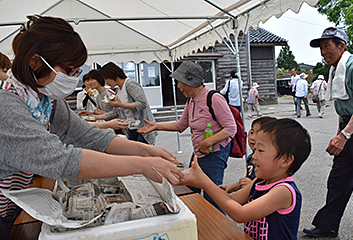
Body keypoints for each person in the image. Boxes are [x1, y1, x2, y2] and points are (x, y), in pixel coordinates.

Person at [0, 15, 184, 240]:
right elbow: (62, 159)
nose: (75, 78)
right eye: (69, 70)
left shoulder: (45, 98)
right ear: (35, 61)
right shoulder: (7, 104)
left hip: (20, 199)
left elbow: (88, 136)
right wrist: (141, 164)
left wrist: (146, 150)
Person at [180, 118, 311, 240]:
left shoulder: (283, 191)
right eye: (254, 150)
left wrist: (204, 182)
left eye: (260, 150)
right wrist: (202, 181)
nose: (253, 156)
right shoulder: (259, 181)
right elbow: (231, 200)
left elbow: (240, 214)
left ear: (286, 160)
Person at [138, 61, 236, 213]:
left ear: (189, 82)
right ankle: (196, 220)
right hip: (199, 151)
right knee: (190, 187)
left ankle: (218, 230)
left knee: (213, 194)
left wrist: (207, 142)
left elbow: (231, 128)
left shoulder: (214, 98)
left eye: (179, 82)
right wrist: (157, 126)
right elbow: (181, 125)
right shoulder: (191, 100)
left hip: (215, 153)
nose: (178, 86)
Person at [303, 27, 353, 238]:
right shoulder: (335, 70)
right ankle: (327, 225)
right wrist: (339, 133)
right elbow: (343, 106)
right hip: (349, 126)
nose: (322, 52)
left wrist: (344, 135)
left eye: (327, 46)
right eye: (321, 48)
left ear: (341, 46)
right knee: (338, 179)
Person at [89, 62, 157, 145]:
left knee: (144, 154)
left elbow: (142, 103)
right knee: (134, 155)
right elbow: (115, 112)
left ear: (113, 75)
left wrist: (121, 105)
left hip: (143, 127)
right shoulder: (118, 90)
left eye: (106, 79)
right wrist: (94, 117)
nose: (106, 82)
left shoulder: (130, 84)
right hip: (131, 128)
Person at [219, 116, 276, 193]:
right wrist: (232, 187)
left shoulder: (268, 161)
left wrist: (252, 185)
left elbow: (268, 185)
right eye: (251, 132)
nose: (252, 137)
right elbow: (247, 178)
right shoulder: (251, 157)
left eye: (258, 134)